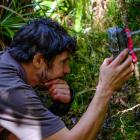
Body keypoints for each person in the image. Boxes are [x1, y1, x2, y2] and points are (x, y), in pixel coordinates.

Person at [0, 18, 134, 140]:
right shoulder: (11, 91)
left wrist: (59, 107)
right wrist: (106, 88)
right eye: (63, 62)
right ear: (39, 60)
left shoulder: (7, 65)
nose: (67, 70)